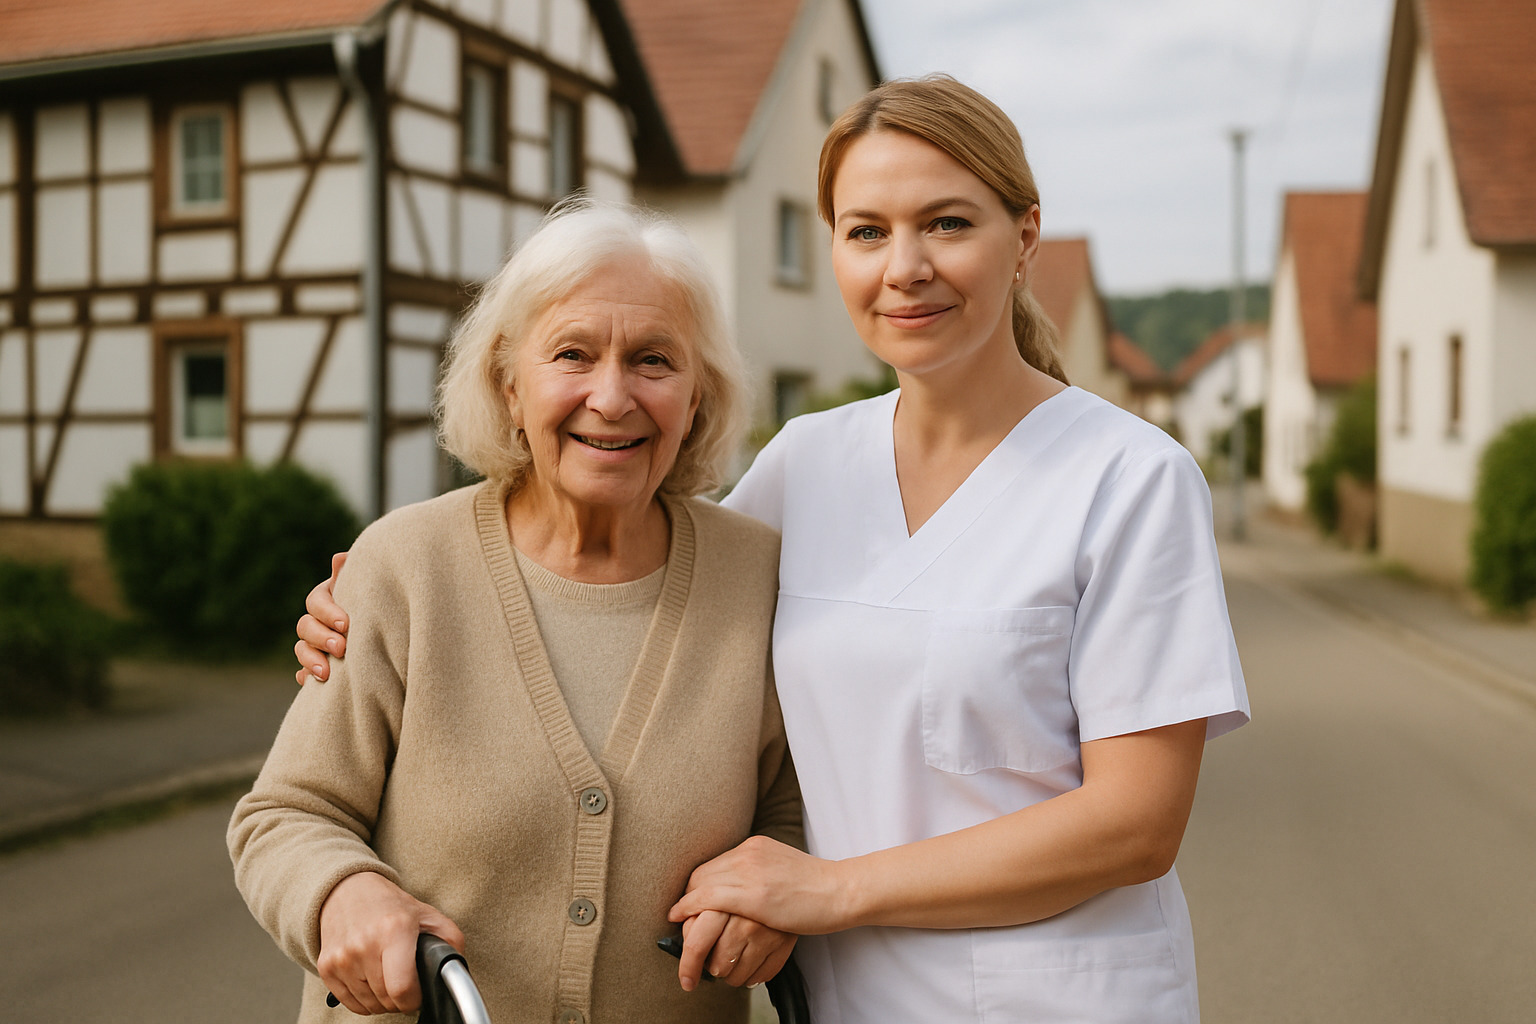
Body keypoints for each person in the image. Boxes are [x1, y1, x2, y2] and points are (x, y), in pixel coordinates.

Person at [297, 76, 1249, 1023]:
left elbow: (1136, 826)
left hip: (1061, 999)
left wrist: (831, 891)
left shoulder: (1131, 479)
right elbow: (645, 588)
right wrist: (374, 599)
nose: (905, 266)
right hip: (846, 1002)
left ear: (1025, 237)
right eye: (866, 230)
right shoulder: (807, 467)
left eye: (949, 224)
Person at [231, 200, 802, 1024]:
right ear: (509, 385)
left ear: (699, 393)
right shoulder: (404, 564)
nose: (611, 397)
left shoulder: (760, 576)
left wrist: (771, 884)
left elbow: (796, 806)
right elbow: (286, 814)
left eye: (653, 360)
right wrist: (340, 892)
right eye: (572, 354)